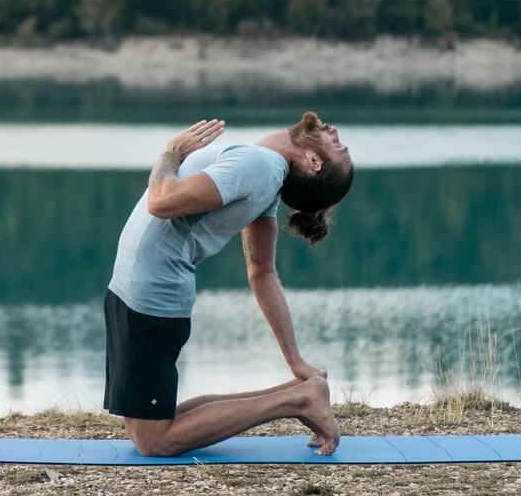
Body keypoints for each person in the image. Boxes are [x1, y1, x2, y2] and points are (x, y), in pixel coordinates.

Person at [105, 112, 355, 457]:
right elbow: (262, 272)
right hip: (137, 289)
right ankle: (300, 394)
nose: (334, 131)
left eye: (336, 145)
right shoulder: (267, 172)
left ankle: (299, 399)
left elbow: (161, 201)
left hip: (151, 295)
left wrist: (171, 152)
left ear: (312, 160)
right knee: (146, 427)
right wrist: (296, 362)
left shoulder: (257, 165)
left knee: (153, 440)